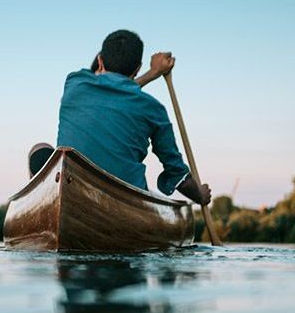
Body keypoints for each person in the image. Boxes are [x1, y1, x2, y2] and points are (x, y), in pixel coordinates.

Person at [29, 29, 211, 205]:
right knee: (42, 150)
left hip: (74, 192)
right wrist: (200, 196)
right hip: (127, 201)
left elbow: (111, 88)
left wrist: (152, 74)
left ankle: (43, 206)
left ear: (100, 61)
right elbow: (177, 175)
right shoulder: (154, 109)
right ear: (137, 68)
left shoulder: (75, 82)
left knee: (39, 149)